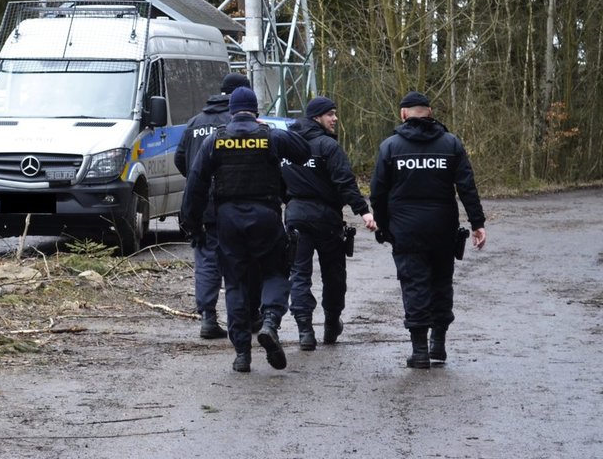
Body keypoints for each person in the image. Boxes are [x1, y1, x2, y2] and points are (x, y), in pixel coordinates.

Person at [181, 86, 310, 373]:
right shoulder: (270, 136)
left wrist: (192, 223)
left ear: (231, 111)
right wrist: (270, 130)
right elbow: (304, 151)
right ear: (256, 111)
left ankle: (242, 354)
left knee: (236, 283)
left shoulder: (216, 140)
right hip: (265, 214)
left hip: (228, 219)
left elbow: (196, 183)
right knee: (275, 271)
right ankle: (269, 322)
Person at [369, 91, 487, 368]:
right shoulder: (451, 143)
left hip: (406, 229)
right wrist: (477, 223)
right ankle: (439, 345)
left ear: (403, 114)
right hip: (442, 228)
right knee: (441, 283)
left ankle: (420, 350)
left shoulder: (390, 147)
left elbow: (377, 192)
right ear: (430, 112)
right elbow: (467, 187)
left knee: (414, 284)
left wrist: (384, 226)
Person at [281, 96, 376, 350]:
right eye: (330, 114)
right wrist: (363, 211)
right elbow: (344, 182)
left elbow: (278, 180)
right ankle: (331, 324)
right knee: (333, 274)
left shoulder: (287, 144)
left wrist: (289, 203)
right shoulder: (328, 146)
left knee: (298, 275)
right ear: (316, 117)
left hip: (296, 215)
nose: (335, 119)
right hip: (326, 219)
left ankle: (305, 331)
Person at [174, 72, 251, 340]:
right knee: (239, 260)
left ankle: (208, 318)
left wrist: (198, 182)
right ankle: (246, 317)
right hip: (235, 202)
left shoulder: (195, 122)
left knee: (207, 260)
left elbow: (180, 160)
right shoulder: (237, 123)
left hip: (202, 204)